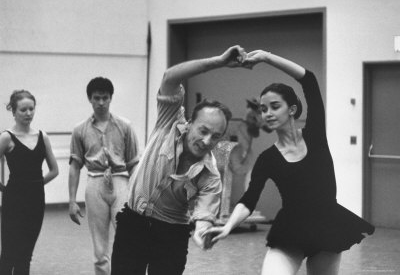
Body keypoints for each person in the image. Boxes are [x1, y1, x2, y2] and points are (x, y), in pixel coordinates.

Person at [204, 49, 375, 275]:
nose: (268, 114)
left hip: (327, 227)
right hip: (291, 231)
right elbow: (249, 199)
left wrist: (266, 57)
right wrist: (227, 226)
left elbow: (309, 80)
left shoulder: (315, 135)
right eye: (264, 109)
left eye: (275, 106)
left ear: (292, 109)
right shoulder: (268, 158)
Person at [110, 45, 247, 275]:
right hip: (133, 224)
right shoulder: (169, 121)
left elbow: (203, 216)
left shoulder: (210, 177)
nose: (206, 140)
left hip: (171, 235)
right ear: (190, 122)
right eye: (202, 130)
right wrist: (219, 61)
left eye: (215, 136)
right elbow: (170, 77)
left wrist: (203, 234)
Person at [68, 77, 139, 275]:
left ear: (111, 98)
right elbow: (75, 166)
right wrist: (72, 201)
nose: (101, 102)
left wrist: (139, 196)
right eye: (96, 98)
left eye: (105, 98)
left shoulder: (125, 126)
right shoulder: (80, 129)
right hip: (95, 182)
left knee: (128, 239)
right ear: (90, 99)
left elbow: (134, 164)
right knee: (99, 247)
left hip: (120, 182)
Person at [0, 90, 59, 275]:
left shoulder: (43, 136)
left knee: (25, 255)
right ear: (14, 111)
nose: (28, 113)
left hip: (35, 201)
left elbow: (54, 170)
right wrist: (3, 188)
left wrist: (35, 184)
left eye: (31, 109)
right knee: (9, 253)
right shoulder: (6, 137)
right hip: (13, 200)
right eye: (23, 109)